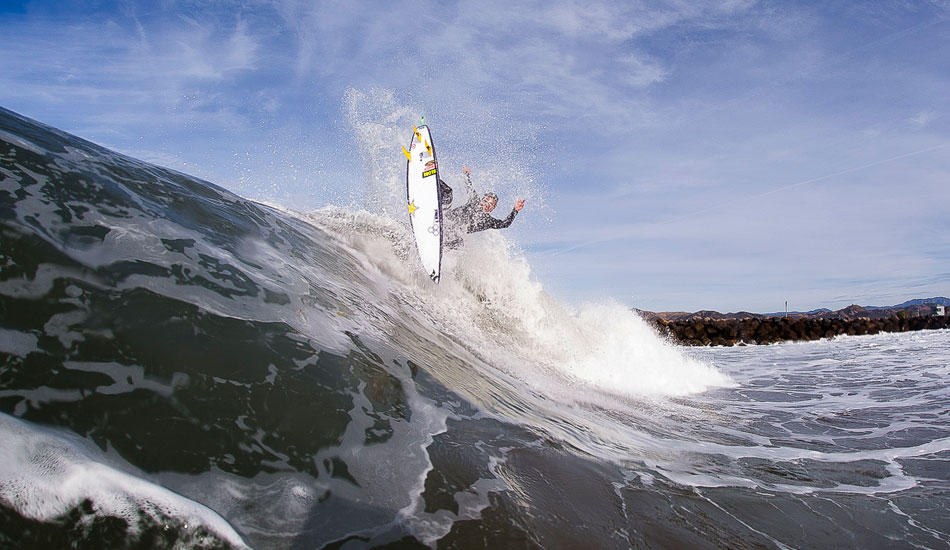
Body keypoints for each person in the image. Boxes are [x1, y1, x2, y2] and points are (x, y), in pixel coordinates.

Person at [440, 166, 525, 247]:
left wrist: (515, 210)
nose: (487, 204)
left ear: (494, 207)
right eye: (485, 201)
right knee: (448, 192)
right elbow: (469, 187)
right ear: (481, 200)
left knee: (459, 243)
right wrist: (466, 175)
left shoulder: (488, 221)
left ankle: (437, 249)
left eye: (491, 204)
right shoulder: (475, 201)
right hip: (445, 219)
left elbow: (504, 224)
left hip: (450, 233)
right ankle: (430, 175)